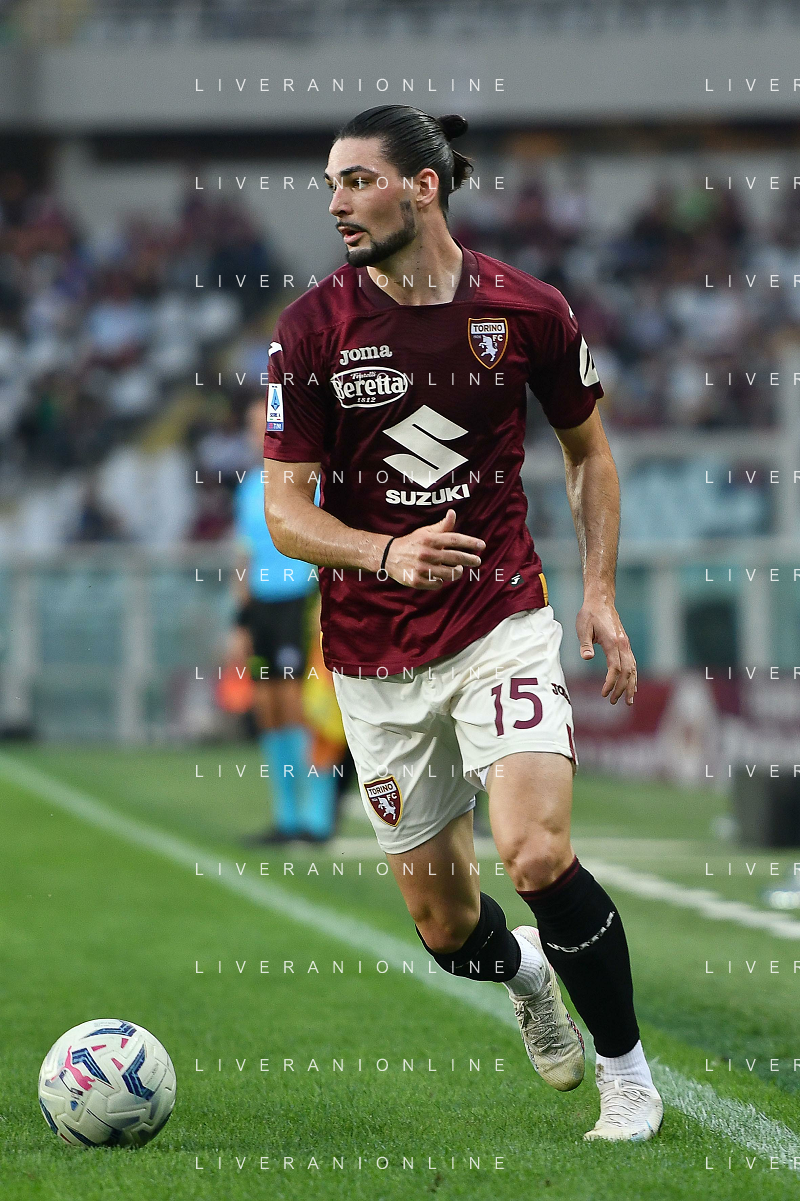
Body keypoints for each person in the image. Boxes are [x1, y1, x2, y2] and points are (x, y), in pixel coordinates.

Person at [262, 105, 662, 1141]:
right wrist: (383, 551)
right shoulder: (311, 330)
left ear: (424, 186)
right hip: (372, 654)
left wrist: (600, 590)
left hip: (500, 618)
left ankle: (626, 1076)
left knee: (534, 851)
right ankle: (524, 972)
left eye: (358, 180)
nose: (337, 202)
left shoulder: (526, 310)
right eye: (331, 183)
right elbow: (285, 512)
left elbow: (589, 454)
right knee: (445, 927)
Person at [232, 398, 329, 843]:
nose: (259, 434)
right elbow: (244, 556)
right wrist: (241, 621)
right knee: (268, 709)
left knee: (299, 706)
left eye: (264, 424)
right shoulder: (249, 487)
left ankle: (315, 817)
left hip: (299, 599)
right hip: (262, 609)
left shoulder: (309, 480)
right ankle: (286, 817)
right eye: (253, 426)